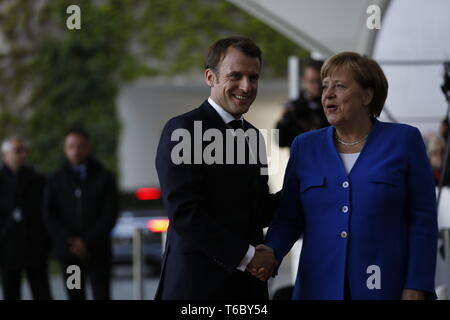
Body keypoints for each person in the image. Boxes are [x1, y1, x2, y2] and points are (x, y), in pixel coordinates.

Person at [250, 52, 438, 300]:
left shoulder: (404, 141)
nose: (327, 94)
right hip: (318, 288)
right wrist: (270, 252)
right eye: (325, 86)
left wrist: (417, 284)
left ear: (367, 95)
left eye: (339, 86)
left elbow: (422, 220)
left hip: (387, 287)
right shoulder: (305, 146)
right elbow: (289, 217)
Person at [155, 36, 279, 300]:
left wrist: (310, 188)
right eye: (235, 76)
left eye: (253, 77)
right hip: (197, 287)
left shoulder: (253, 136)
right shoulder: (183, 130)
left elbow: (257, 211)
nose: (246, 87)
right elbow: (185, 213)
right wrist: (249, 257)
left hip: (247, 288)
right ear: (210, 77)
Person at [44, 129, 118, 300]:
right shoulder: (56, 179)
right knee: (75, 295)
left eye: (80, 146)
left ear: (88, 147)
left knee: (101, 294)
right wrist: (71, 241)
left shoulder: (104, 177)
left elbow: (109, 214)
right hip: (70, 255)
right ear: (65, 149)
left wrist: (87, 241)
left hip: (98, 252)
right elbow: (50, 215)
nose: (75, 151)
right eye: (71, 146)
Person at [0, 136, 52, 300]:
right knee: (11, 291)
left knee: (41, 291)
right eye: (17, 151)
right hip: (7, 248)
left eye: (24, 151)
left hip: (35, 246)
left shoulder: (37, 180)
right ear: (5, 154)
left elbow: (45, 213)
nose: (22, 155)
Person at [276, 59, 329, 148]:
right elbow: (279, 142)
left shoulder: (333, 106)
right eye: (312, 81)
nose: (317, 86)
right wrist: (283, 122)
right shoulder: (294, 107)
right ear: (304, 80)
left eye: (320, 82)